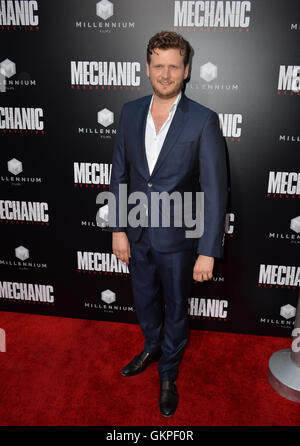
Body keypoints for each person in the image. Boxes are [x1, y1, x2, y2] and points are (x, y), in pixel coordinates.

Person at [109, 31, 228, 417]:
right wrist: (118, 228)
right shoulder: (129, 112)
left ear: (186, 70)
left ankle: (168, 373)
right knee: (145, 301)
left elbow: (214, 190)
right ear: (147, 68)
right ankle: (150, 346)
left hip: (178, 239)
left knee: (176, 308)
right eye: (158, 65)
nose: (165, 74)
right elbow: (120, 175)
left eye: (173, 66)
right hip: (137, 234)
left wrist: (208, 251)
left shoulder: (203, 121)